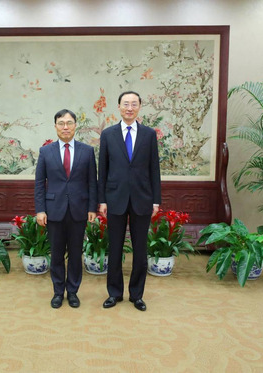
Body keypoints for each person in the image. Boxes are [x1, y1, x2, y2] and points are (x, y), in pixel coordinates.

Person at [98, 91, 161, 312]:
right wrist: (102, 200)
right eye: (126, 104)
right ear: (118, 107)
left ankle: (137, 295)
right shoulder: (108, 135)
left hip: (142, 199)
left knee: (140, 251)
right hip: (114, 199)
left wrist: (156, 201)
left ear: (140, 107)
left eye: (134, 104)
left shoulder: (148, 134)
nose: (129, 108)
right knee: (114, 249)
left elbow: (154, 169)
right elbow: (102, 170)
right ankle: (114, 293)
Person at [35, 109, 98, 309]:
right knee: (56, 254)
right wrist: (40, 210)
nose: (65, 127)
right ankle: (57, 292)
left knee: (75, 254)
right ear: (55, 126)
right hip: (53, 210)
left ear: (75, 126)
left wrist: (92, 208)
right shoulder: (45, 152)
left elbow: (92, 183)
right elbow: (39, 183)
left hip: (79, 210)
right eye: (61, 123)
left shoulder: (87, 151)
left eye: (69, 123)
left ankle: (72, 292)